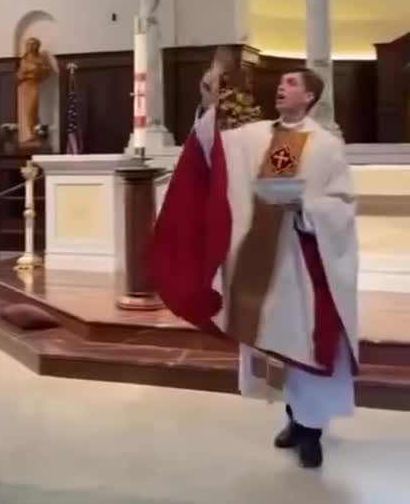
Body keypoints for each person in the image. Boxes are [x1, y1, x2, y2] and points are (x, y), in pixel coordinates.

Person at [150, 68, 359, 469]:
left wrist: (307, 208)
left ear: (310, 96)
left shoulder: (327, 145)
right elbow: (212, 149)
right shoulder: (255, 136)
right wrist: (210, 103)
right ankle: (295, 418)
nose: (282, 86)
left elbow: (343, 204)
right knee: (279, 341)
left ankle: (311, 431)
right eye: (282, 82)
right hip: (263, 261)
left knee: (310, 343)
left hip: (306, 262)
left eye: (292, 83)